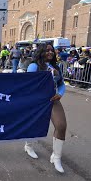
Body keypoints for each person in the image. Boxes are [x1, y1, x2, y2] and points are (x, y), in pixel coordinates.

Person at [25, 43, 67, 173]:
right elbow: (27, 84)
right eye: (47, 50)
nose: (50, 52)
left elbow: (61, 84)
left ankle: (56, 157)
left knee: (61, 126)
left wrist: (59, 94)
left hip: (52, 100)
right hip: (36, 101)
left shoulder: (56, 67)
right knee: (34, 124)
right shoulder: (34, 66)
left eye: (52, 51)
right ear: (41, 51)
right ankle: (28, 146)